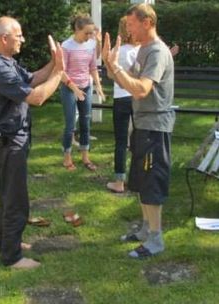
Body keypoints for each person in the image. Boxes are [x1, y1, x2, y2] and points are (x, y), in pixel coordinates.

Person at [0, 17, 64, 269]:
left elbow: (33, 79)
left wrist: (53, 61)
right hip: (8, 142)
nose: (23, 39)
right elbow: (37, 97)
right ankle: (12, 256)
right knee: (15, 198)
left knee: (8, 194)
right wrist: (60, 73)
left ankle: (7, 241)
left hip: (11, 139)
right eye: (18, 35)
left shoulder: (8, 63)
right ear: (3, 39)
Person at [102, 3, 175, 258]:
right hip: (142, 125)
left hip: (155, 128)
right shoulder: (144, 49)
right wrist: (110, 65)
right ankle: (146, 229)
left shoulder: (156, 51)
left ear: (147, 23)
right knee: (143, 180)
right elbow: (127, 83)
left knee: (152, 182)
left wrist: (117, 68)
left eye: (131, 24)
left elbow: (142, 89)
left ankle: (156, 239)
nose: (128, 28)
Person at [60, 14, 105, 172]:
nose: (89, 36)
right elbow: (61, 72)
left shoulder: (91, 45)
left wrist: (97, 85)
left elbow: (92, 66)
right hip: (69, 88)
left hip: (85, 87)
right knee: (70, 124)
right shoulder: (66, 46)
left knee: (85, 123)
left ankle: (85, 157)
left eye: (91, 33)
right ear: (77, 30)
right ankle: (67, 158)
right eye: (86, 33)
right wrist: (74, 89)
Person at [106, 16, 139, 193]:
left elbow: (111, 74)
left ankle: (119, 182)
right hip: (137, 97)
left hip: (121, 98)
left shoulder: (117, 51)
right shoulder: (143, 50)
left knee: (120, 142)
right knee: (137, 140)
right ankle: (136, 179)